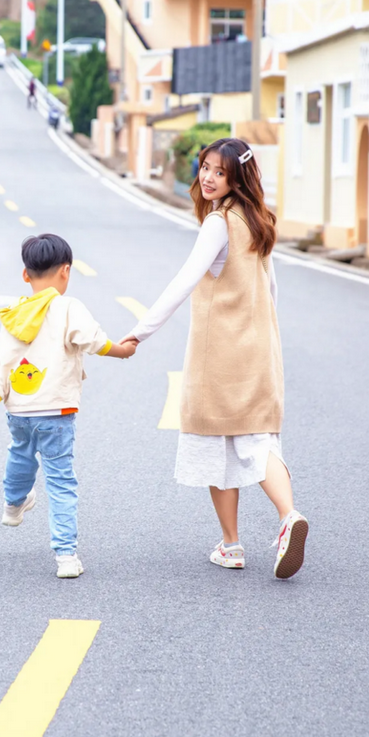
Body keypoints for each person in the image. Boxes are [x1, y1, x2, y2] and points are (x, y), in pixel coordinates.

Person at [122, 138, 309, 579]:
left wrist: (140, 332)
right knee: (258, 440)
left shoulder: (219, 223)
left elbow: (184, 280)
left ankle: (232, 544)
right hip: (261, 349)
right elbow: (271, 290)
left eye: (219, 172)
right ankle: (288, 516)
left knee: (216, 445)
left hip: (219, 354)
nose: (207, 178)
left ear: (236, 177)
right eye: (205, 167)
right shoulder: (259, 219)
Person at [0, 233, 137, 578]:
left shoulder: (17, 314)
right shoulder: (68, 307)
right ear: (66, 272)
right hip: (57, 412)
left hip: (19, 410)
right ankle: (66, 556)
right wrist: (122, 350)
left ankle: (13, 505)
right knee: (60, 479)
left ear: (26, 275)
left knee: (20, 453)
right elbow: (93, 341)